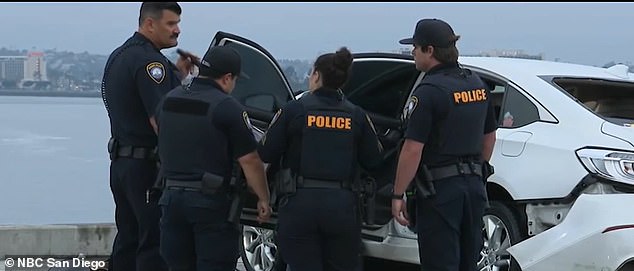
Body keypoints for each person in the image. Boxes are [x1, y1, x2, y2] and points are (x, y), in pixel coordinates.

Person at [258, 47, 384, 271]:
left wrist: (262, 197)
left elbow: (265, 154)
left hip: (299, 206)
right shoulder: (357, 115)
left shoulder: (293, 111)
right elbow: (375, 160)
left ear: (316, 76)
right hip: (342, 208)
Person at [391, 18, 497, 271]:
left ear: (430, 51)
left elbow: (412, 149)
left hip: (440, 192)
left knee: (440, 262)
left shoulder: (428, 92)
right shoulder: (477, 84)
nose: (412, 52)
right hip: (473, 189)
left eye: (415, 47)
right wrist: (477, 171)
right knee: (467, 261)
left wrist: (397, 194)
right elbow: (489, 136)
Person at [155, 45, 272, 271]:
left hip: (170, 200)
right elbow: (250, 160)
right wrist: (263, 198)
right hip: (210, 205)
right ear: (227, 78)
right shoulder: (227, 107)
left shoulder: (169, 99)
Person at [101, 2, 195, 271]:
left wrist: (177, 76)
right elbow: (162, 122)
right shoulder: (152, 63)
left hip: (122, 164)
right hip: (146, 168)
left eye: (178, 23)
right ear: (149, 23)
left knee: (128, 241)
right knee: (153, 244)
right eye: (170, 24)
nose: (177, 30)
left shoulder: (119, 56)